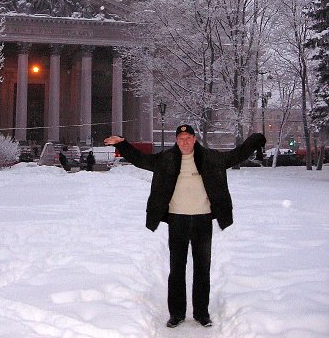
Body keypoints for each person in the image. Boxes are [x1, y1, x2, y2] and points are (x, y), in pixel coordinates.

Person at [104, 125, 266, 329]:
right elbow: (141, 160)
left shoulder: (211, 158)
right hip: (177, 220)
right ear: (176, 141)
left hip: (202, 220)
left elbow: (236, 155)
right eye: (181, 138)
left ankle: (201, 313)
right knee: (177, 269)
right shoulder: (166, 159)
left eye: (188, 138)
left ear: (194, 139)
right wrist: (122, 144)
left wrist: (255, 140)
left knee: (202, 269)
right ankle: (177, 314)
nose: (185, 142)